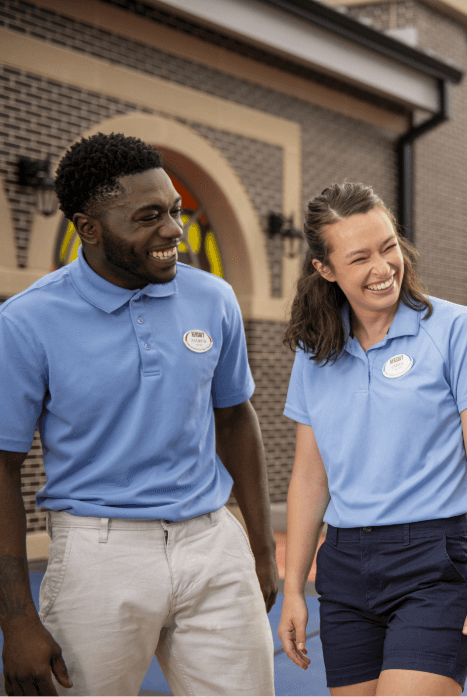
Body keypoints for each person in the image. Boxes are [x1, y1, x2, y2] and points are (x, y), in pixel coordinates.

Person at [0, 133, 277, 696]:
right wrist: (16, 619)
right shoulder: (28, 321)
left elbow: (235, 417)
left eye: (174, 210)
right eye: (148, 217)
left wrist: (261, 549)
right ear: (89, 228)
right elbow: (2, 466)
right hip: (97, 557)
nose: (174, 230)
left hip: (212, 546)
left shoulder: (214, 298)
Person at [276, 182, 467, 696]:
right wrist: (293, 588)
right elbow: (310, 477)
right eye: (360, 257)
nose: (383, 268)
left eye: (389, 247)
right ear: (325, 269)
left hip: (434, 562)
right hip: (341, 567)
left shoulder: (455, 329)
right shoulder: (315, 351)